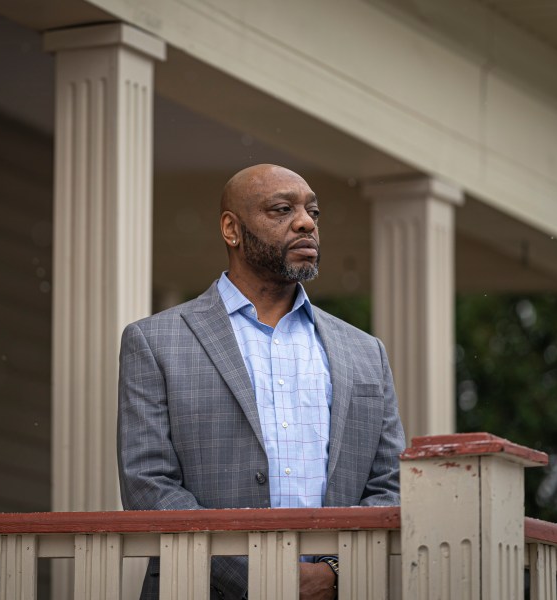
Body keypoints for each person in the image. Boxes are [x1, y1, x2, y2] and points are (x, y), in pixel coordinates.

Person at [118, 164, 405, 600]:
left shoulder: (366, 352)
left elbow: (390, 485)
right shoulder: (155, 341)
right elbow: (148, 486)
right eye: (282, 209)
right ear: (232, 229)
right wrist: (262, 579)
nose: (307, 222)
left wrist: (333, 573)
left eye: (312, 211)